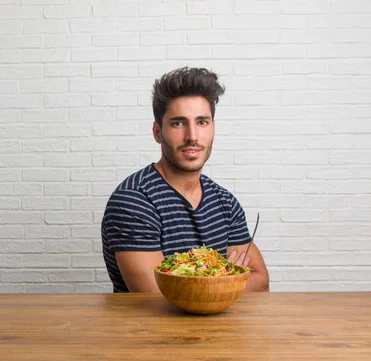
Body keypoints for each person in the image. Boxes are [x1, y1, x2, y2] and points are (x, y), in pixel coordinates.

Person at [101, 67, 269, 293]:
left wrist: (196, 281)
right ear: (157, 132)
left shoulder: (225, 202)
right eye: (178, 123)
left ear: (213, 129)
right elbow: (157, 297)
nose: (192, 136)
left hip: (222, 329)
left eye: (202, 122)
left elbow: (261, 282)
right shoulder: (134, 201)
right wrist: (227, 276)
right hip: (151, 329)